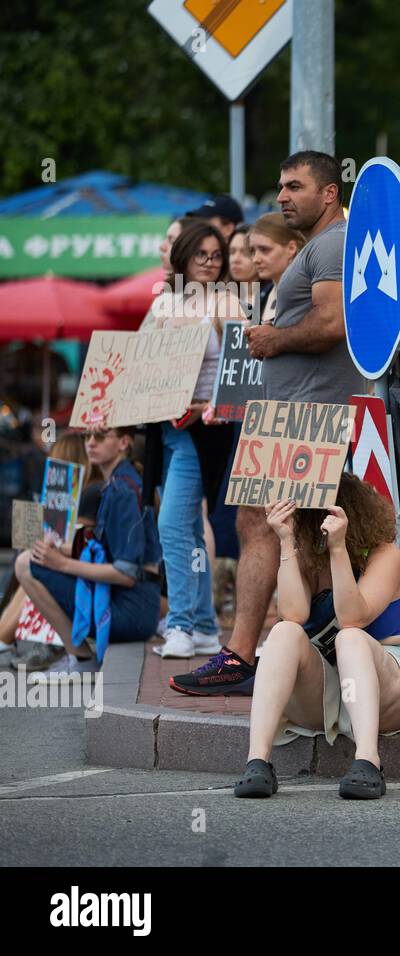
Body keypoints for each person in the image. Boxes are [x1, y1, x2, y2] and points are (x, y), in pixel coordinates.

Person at [173, 151, 362, 696]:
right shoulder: (322, 246)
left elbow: (333, 323)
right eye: (280, 186)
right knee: (276, 529)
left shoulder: (332, 243)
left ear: (328, 193)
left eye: (295, 186)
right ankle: (279, 654)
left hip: (307, 413)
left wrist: (274, 338)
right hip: (296, 411)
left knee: (266, 525)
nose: (282, 196)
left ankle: (246, 655)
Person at [233, 473, 400, 799]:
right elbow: (293, 615)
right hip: (326, 689)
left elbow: (353, 617)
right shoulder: (310, 556)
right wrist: (286, 541)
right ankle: (258, 761)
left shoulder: (386, 556)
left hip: (385, 690)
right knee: (283, 632)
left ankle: (368, 761)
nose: (318, 529)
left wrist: (339, 549)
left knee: (349, 637)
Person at [148, 222, 241, 659]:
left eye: (216, 254)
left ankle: (181, 625)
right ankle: (203, 625)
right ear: (182, 256)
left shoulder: (229, 303)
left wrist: (215, 406)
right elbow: (141, 364)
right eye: (200, 254)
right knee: (187, 527)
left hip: (204, 429)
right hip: (166, 429)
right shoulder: (164, 301)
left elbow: (241, 372)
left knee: (171, 525)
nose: (209, 261)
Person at [14, 426, 161, 677]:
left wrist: (60, 563)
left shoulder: (122, 490)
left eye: (101, 436)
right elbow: (106, 551)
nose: (91, 443)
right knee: (33, 557)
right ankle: (79, 658)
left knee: (26, 564)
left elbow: (125, 574)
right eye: (87, 436)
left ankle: (82, 660)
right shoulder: (117, 482)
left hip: (132, 612)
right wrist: (59, 549)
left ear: (124, 443)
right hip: (136, 606)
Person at [247, 212, 305, 326]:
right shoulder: (262, 295)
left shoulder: (305, 296)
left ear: (291, 248)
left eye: (264, 250)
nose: (255, 259)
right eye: (252, 251)